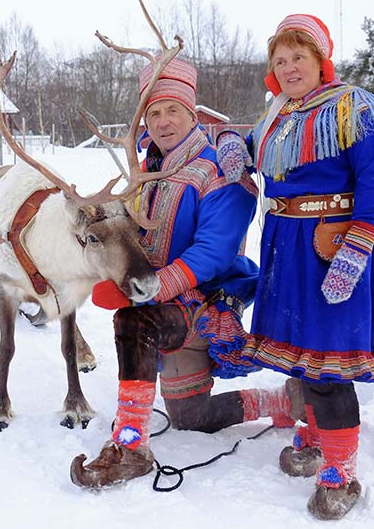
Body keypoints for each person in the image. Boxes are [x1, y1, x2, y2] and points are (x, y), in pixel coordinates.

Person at [70, 56, 305, 489]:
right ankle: (282, 401)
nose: (162, 121)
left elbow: (213, 253)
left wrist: (152, 287)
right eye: (153, 113)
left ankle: (130, 445)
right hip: (165, 303)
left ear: (193, 113)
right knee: (190, 417)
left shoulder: (220, 171)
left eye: (172, 110)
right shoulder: (147, 171)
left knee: (134, 322)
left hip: (205, 303)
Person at [215, 14, 374, 520]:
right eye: (280, 60)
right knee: (306, 358)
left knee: (331, 365)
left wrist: (357, 247)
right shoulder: (278, 114)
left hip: (331, 246)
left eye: (299, 56)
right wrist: (232, 142)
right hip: (286, 245)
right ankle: (319, 439)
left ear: (322, 60)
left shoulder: (354, 108)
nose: (289, 67)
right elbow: (250, 150)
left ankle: (341, 473)